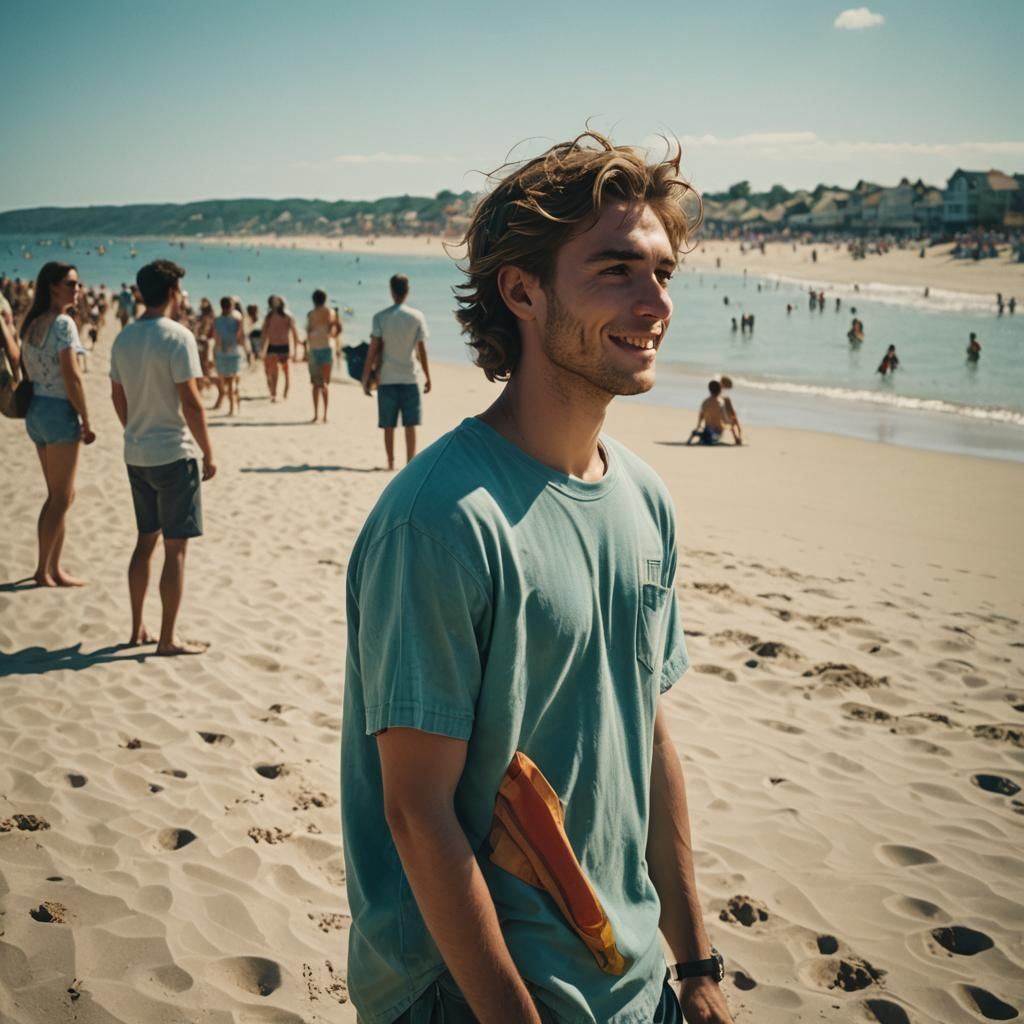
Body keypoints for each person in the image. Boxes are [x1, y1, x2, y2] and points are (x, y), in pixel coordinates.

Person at [342, 132, 733, 1024]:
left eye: (664, 272)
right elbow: (417, 813)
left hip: (633, 986)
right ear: (521, 289)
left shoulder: (644, 497)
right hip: (469, 995)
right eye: (616, 271)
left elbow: (649, 737)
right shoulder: (439, 520)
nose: (656, 301)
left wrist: (696, 962)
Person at [109, 260, 216, 656]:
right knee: (175, 549)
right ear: (172, 292)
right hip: (173, 452)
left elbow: (117, 396)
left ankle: (137, 626)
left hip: (136, 452)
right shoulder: (178, 336)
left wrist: (133, 427)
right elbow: (191, 401)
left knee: (144, 541)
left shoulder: (123, 338)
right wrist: (209, 451)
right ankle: (167, 638)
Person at [19, 261, 96, 587]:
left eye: (77, 284)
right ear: (53, 286)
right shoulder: (63, 324)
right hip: (57, 409)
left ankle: (54, 567)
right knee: (61, 497)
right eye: (71, 283)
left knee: (59, 495)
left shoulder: (33, 322)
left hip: (36, 408)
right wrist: (86, 417)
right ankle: (43, 569)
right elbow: (72, 374)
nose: (77, 289)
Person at [361, 273, 431, 468]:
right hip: (410, 377)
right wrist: (427, 376)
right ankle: (410, 462)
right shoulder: (417, 317)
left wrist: (365, 376)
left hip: (386, 378)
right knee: (411, 424)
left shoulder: (380, 318)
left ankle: (390, 462)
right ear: (407, 291)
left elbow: (372, 349)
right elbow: (422, 350)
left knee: (388, 424)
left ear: (391, 291)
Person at [259, 295, 298, 401]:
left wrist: (295, 350)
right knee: (273, 371)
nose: (275, 303)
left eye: (277, 301)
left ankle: (285, 392)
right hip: (272, 346)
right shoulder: (268, 316)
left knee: (286, 372)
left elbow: (294, 333)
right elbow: (264, 333)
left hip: (284, 346)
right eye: (273, 301)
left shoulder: (288, 315)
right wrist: (262, 348)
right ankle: (274, 393)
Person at [306, 288, 337, 423]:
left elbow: (308, 331)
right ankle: (325, 415)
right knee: (325, 384)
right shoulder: (330, 312)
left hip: (314, 348)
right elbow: (333, 329)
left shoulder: (310, 314)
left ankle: (315, 414)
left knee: (315, 384)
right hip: (327, 347)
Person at [212, 296, 247, 415]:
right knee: (233, 381)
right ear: (231, 306)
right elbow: (241, 336)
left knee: (224, 381)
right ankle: (233, 407)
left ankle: (231, 405)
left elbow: (216, 338)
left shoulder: (216, 320)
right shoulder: (237, 320)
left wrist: (214, 354)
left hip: (221, 352)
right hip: (234, 351)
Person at [687, 379, 728, 445]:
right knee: (723, 427)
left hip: (707, 429)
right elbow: (725, 420)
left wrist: (698, 425)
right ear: (720, 391)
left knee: (707, 433)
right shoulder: (721, 403)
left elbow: (701, 415)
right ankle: (711, 438)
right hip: (717, 431)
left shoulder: (705, 402)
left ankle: (703, 436)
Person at [719, 375, 743, 445]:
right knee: (734, 419)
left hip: (720, 417)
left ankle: (737, 437)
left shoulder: (717, 396)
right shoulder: (725, 398)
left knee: (732, 417)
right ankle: (738, 437)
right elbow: (731, 410)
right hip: (725, 419)